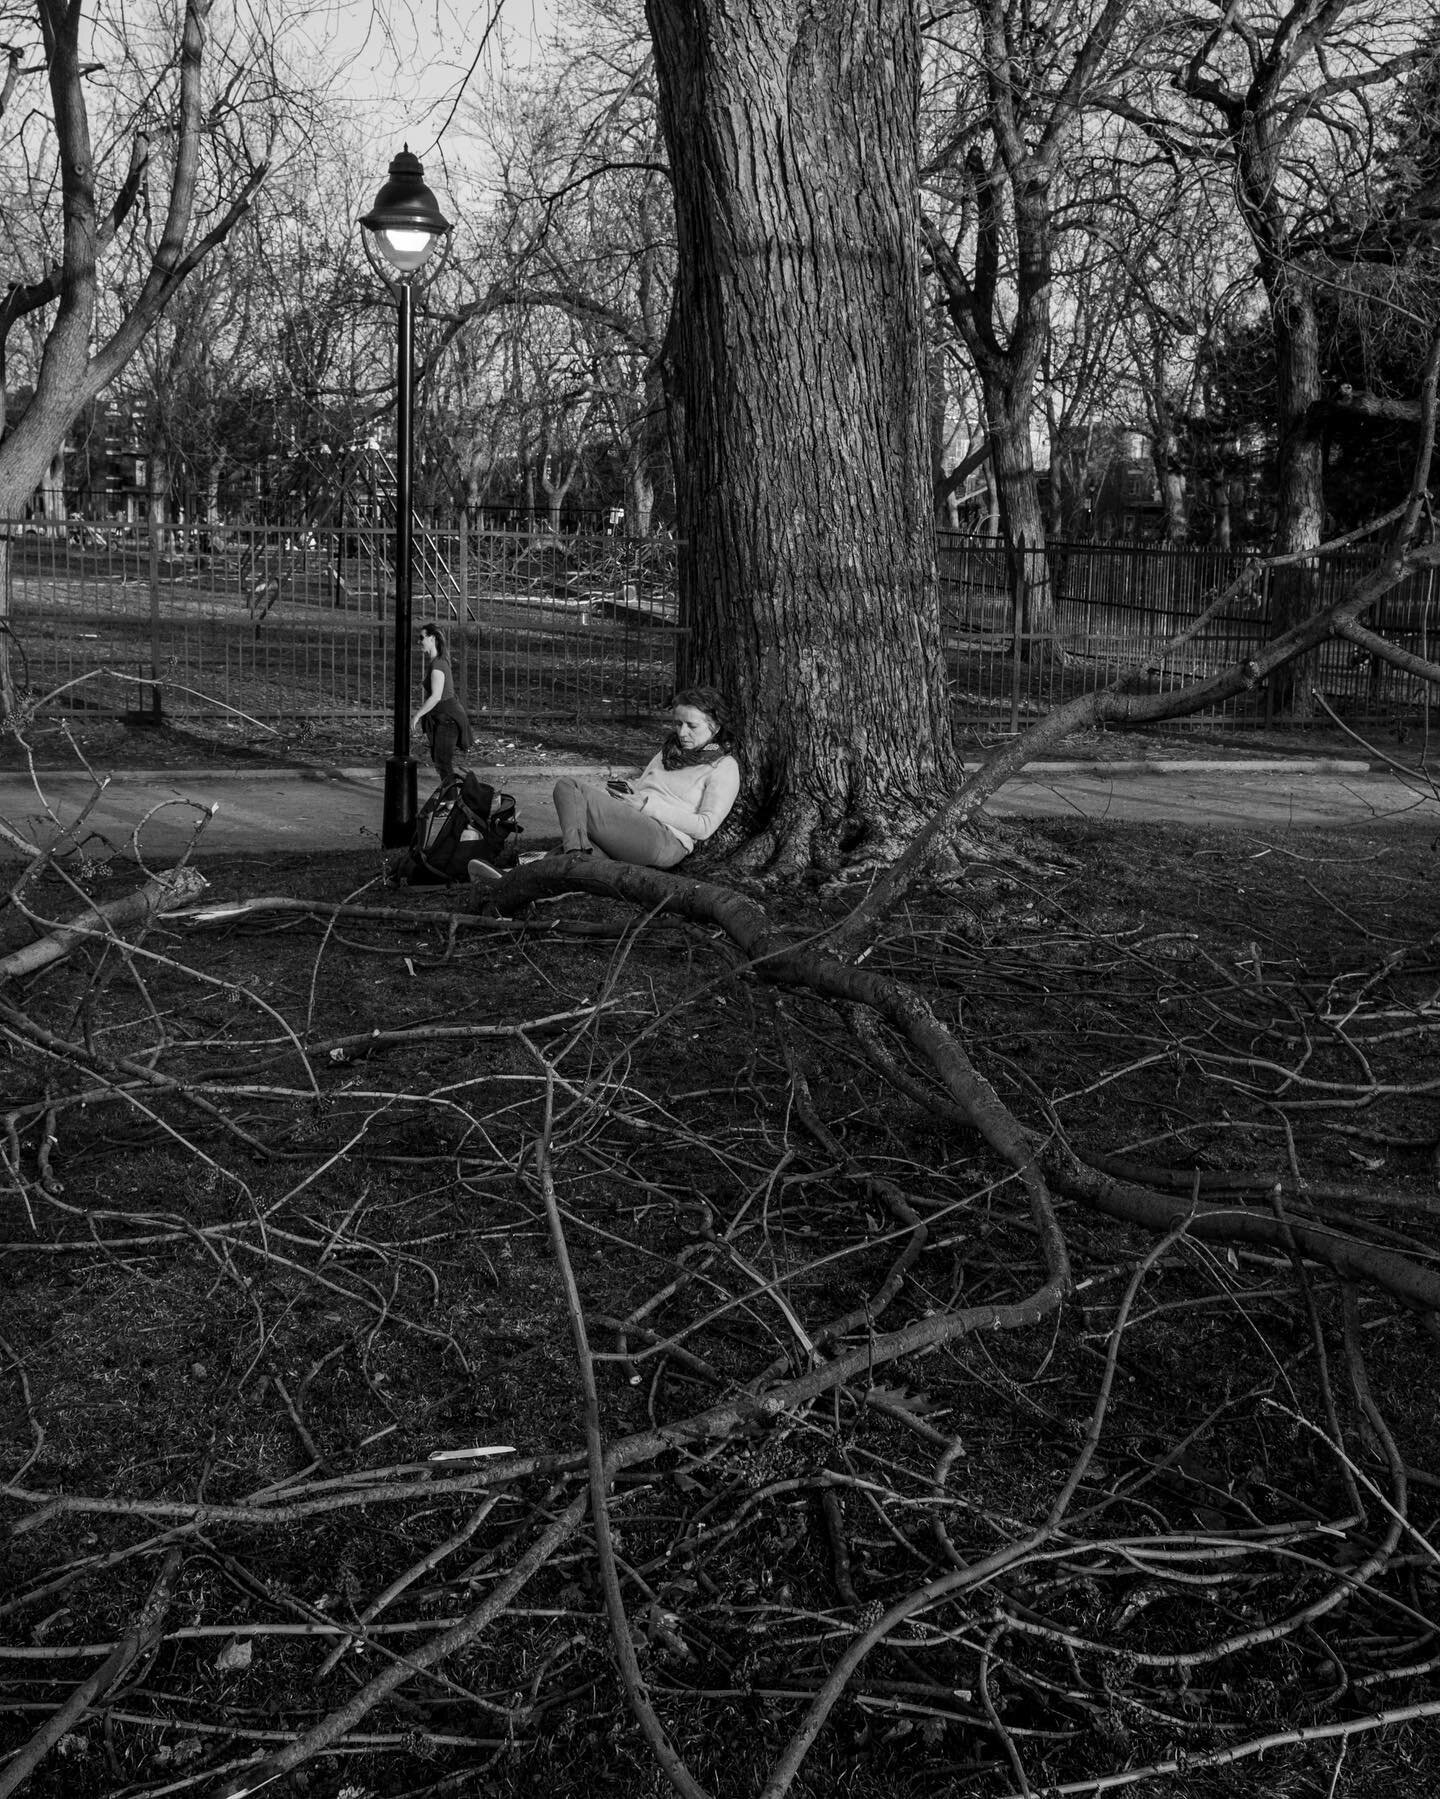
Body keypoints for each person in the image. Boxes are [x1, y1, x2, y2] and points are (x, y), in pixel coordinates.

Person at [467, 686, 739, 886]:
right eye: (677, 723)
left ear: (714, 727)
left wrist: (646, 805)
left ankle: (574, 859)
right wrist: (627, 791)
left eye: (691, 725)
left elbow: (704, 827)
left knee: (568, 787)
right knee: (586, 842)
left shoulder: (723, 767)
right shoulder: (669, 751)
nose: (681, 732)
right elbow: (645, 786)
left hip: (665, 840)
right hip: (634, 824)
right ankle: (512, 880)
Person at [411, 625, 471, 786]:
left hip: (448, 719)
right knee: (441, 761)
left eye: (422, 637)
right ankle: (450, 797)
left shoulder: (438, 664)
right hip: (444, 718)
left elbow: (436, 696)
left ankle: (452, 799)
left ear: (432, 638)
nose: (419, 641)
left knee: (443, 761)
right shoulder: (438, 662)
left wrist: (417, 715)